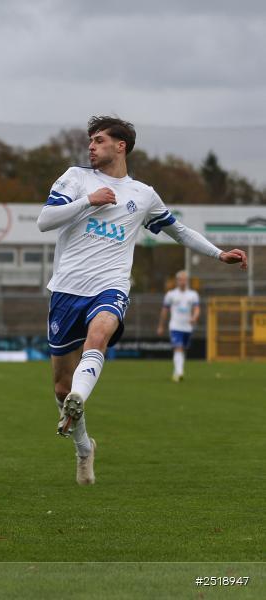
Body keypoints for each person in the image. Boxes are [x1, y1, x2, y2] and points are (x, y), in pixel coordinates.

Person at [37, 116, 247, 486]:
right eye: (90, 140)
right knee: (59, 386)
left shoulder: (143, 195)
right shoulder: (76, 177)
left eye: (99, 140)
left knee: (99, 335)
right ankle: (84, 447)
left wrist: (218, 254)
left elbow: (178, 231)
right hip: (67, 290)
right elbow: (44, 221)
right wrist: (88, 201)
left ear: (121, 146)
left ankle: (80, 397)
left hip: (111, 286)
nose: (91, 146)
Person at [157, 270, 200, 382]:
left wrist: (194, 317)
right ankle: (180, 372)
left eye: (185, 279)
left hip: (187, 327)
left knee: (182, 349)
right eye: (180, 279)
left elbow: (196, 309)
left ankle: (176, 371)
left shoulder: (193, 295)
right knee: (178, 348)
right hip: (175, 326)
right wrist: (161, 326)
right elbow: (164, 311)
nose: (183, 282)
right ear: (177, 281)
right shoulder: (171, 295)